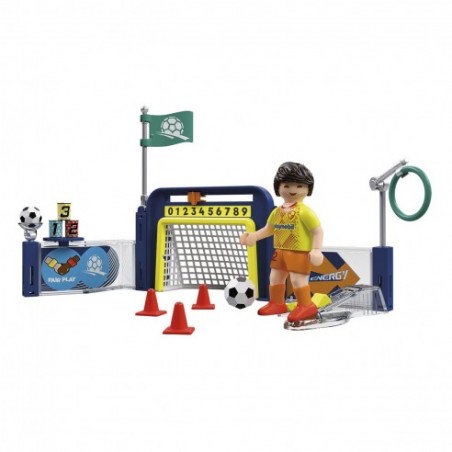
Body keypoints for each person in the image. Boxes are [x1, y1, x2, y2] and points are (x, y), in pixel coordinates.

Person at [240, 162, 324, 322]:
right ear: (278, 188)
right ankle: (277, 303)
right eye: (287, 185)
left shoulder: (305, 212)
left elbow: (317, 231)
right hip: (280, 250)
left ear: (308, 189)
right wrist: (254, 237)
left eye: (299, 185)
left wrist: (316, 250)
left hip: (299, 252)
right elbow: (269, 229)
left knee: (297, 280)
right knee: (275, 277)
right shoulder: (277, 212)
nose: (293, 189)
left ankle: (306, 306)